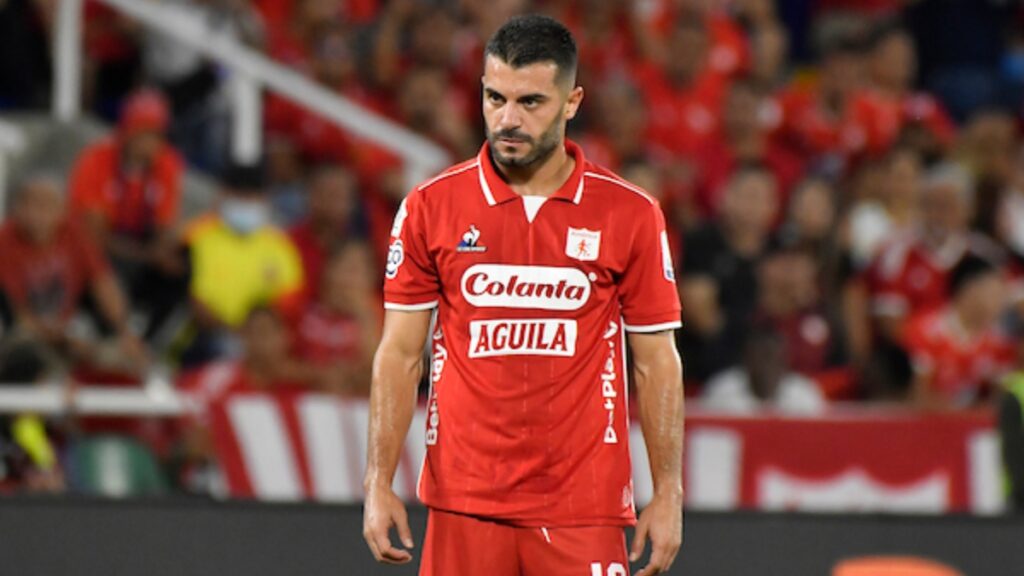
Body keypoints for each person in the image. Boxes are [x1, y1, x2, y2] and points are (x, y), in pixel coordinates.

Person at [363, 15, 684, 576]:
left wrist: (669, 492)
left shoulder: (630, 214)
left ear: (572, 101)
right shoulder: (430, 207)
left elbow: (656, 362)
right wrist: (377, 481)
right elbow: (399, 352)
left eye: (531, 101)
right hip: (464, 502)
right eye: (495, 98)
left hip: (583, 507)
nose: (508, 119)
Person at [68, 88, 188, 340]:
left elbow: (165, 227)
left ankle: (149, 340)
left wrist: (161, 251)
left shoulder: (167, 163)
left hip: (138, 246)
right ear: (126, 131)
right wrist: (146, 255)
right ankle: (94, 328)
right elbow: (93, 233)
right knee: (97, 259)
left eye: (155, 133)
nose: (149, 141)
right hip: (102, 248)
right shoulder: (96, 159)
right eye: (142, 132)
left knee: (184, 263)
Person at [0, 175, 145, 373]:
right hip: (20, 334)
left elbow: (104, 283)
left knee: (129, 359)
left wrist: (124, 331)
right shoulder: (5, 241)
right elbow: (13, 310)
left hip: (68, 331)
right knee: (29, 356)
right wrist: (56, 336)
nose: (37, 214)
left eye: (47, 205)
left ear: (62, 210)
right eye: (31, 204)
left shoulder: (75, 234)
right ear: (17, 208)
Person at [181, 163, 304, 366]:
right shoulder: (199, 233)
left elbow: (289, 302)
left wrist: (253, 333)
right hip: (204, 337)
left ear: (264, 200)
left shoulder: (280, 245)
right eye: (239, 195)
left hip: (261, 341)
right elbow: (188, 290)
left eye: (252, 196)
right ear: (224, 196)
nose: (246, 202)